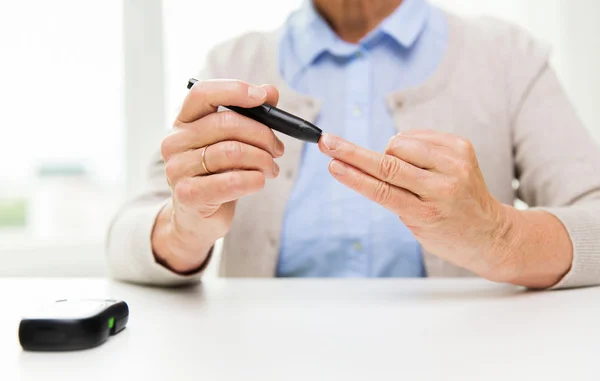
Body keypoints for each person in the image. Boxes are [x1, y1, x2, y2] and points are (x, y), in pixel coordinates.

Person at [107, 0, 600, 289]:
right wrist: (182, 227)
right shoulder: (235, 62)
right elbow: (124, 238)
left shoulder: (508, 58)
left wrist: (500, 237)